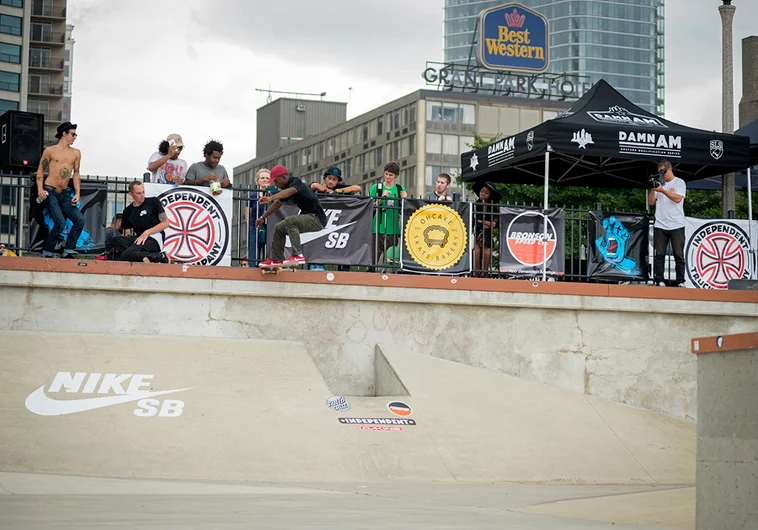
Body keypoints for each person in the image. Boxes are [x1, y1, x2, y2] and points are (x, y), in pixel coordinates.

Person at [256, 165, 327, 269]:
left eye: (276, 181)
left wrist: (271, 197)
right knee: (279, 227)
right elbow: (278, 204)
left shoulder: (296, 183)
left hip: (317, 219)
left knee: (290, 221)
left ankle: (297, 255)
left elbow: (291, 191)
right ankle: (276, 259)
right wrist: (263, 217)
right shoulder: (286, 189)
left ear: (284, 177)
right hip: (307, 217)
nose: (276, 184)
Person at [35, 121, 85, 259]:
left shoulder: (76, 153)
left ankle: (68, 249)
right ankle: (47, 251)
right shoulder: (50, 150)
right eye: (73, 134)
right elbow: (40, 170)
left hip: (64, 194)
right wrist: (40, 189)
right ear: (64, 133)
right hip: (50, 191)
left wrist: (78, 193)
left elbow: (76, 173)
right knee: (60, 223)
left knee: (79, 220)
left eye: (76, 134)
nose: (75, 137)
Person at [309, 166, 360, 271]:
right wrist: (327, 190)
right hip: (320, 224)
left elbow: (357, 188)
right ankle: (315, 265)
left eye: (334, 179)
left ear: (338, 181)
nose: (331, 181)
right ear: (325, 178)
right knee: (316, 243)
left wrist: (338, 191)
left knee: (343, 246)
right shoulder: (319, 187)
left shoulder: (340, 188)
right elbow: (314, 185)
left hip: (338, 226)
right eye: (329, 178)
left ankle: (344, 270)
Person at [648, 159, 686, 287]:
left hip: (676, 224)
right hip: (660, 224)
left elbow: (677, 199)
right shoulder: (660, 184)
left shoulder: (679, 182)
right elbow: (651, 202)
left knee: (678, 254)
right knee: (659, 254)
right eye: (659, 172)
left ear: (669, 170)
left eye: (663, 172)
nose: (661, 175)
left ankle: (680, 280)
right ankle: (659, 280)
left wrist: (663, 190)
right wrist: (654, 188)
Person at [111, 181, 169, 263]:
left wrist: (147, 232)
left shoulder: (153, 202)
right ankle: (142, 256)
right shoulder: (128, 211)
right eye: (138, 193)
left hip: (154, 238)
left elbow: (165, 223)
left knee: (125, 255)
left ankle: (160, 256)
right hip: (139, 239)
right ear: (131, 194)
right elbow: (127, 233)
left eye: (143, 192)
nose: (142, 195)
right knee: (114, 240)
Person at [370, 162, 407, 266]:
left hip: (393, 229)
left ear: (396, 175)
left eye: (390, 175)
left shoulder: (400, 189)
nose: (388, 177)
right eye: (386, 174)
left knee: (391, 260)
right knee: (372, 260)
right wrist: (381, 198)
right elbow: (370, 207)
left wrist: (404, 200)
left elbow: (403, 210)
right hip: (377, 228)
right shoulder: (376, 187)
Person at [247, 168, 275, 265]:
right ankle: (253, 267)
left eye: (267, 178)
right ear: (257, 181)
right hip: (255, 227)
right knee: (254, 252)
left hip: (270, 227)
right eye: (262, 178)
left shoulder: (274, 195)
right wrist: (251, 227)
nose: (264, 179)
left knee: (269, 250)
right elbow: (248, 215)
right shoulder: (253, 196)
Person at [473, 181, 501, 274]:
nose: (483, 194)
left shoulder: (493, 208)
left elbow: (497, 224)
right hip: (476, 236)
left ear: (490, 195)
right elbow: (473, 222)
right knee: (476, 264)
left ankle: (485, 276)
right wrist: (487, 223)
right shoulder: (474, 205)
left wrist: (483, 222)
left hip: (488, 238)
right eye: (482, 192)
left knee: (485, 267)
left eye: (486, 193)